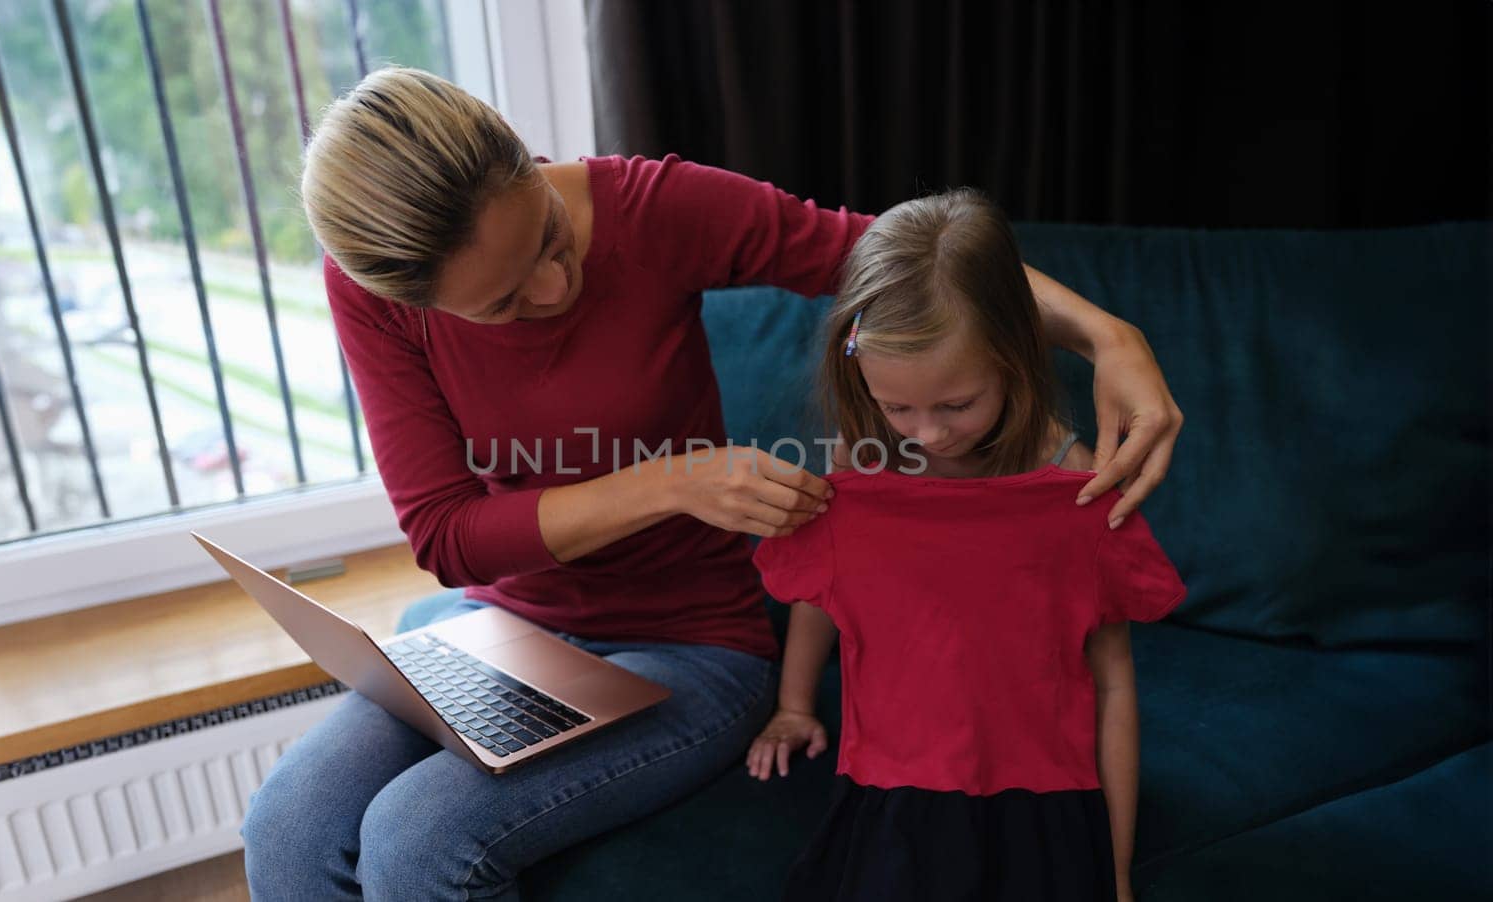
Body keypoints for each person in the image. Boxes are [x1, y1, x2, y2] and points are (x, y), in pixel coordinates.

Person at [241, 65, 1184, 900]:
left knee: (417, 839)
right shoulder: (370, 294)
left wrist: (1111, 337)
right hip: (501, 632)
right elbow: (447, 537)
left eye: (547, 238)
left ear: (527, 160)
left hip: (687, 644)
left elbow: (906, 263)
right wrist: (671, 483)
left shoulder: (657, 210)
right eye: (500, 302)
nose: (553, 290)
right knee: (287, 826)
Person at [748, 188, 1187, 901]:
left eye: (957, 404)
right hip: (893, 792)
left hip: (1045, 798)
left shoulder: (1077, 487)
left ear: (1015, 357)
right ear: (858, 368)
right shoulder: (859, 465)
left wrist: (1116, 869)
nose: (927, 434)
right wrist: (795, 703)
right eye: (897, 408)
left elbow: (1112, 681)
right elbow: (821, 591)